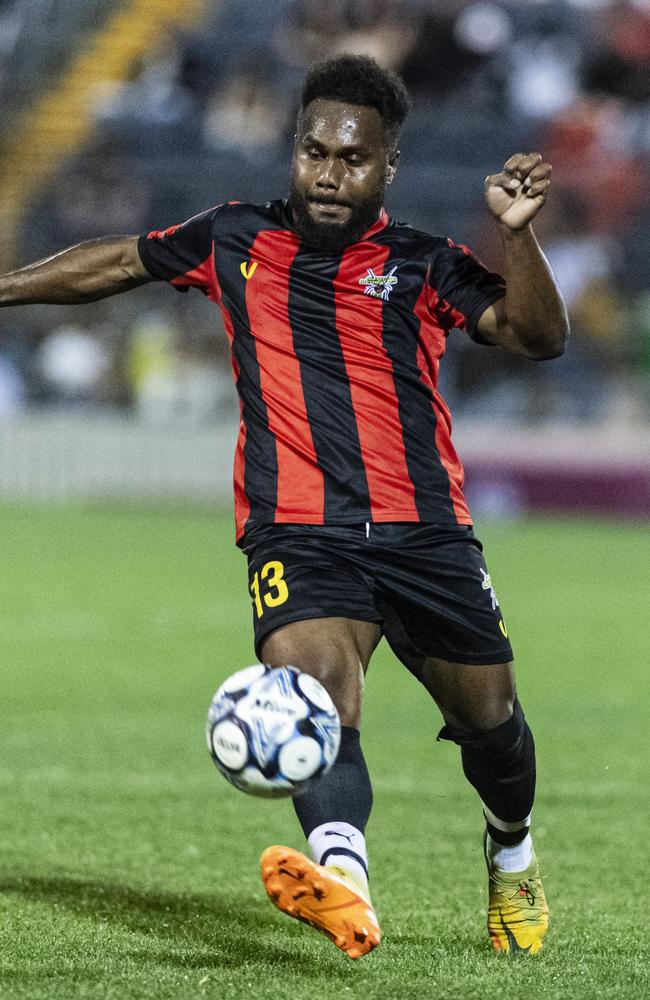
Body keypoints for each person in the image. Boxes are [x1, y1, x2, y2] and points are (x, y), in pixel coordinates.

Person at [0, 55, 568, 959]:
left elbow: (538, 337)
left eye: (352, 159)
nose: (329, 174)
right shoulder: (234, 237)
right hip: (297, 529)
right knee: (312, 697)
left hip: (426, 530)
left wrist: (517, 237)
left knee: (490, 726)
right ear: (294, 150)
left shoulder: (425, 263)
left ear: (388, 168)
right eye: (314, 152)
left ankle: (512, 849)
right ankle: (345, 884)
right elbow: (115, 263)